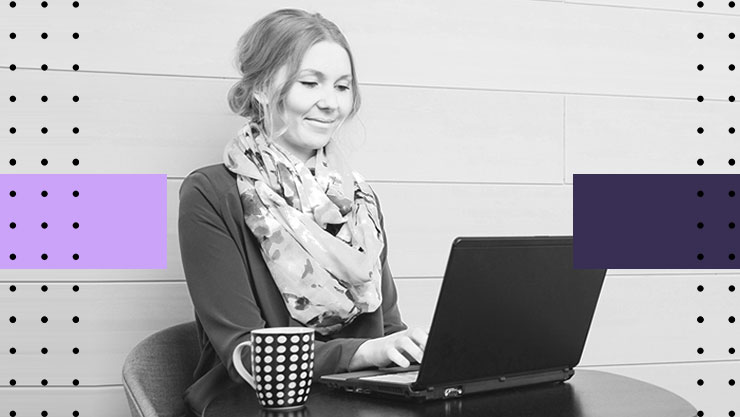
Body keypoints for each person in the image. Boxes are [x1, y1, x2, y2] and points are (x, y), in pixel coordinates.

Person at [178, 9, 428, 416]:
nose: (330, 103)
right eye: (309, 83)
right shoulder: (210, 193)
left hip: (355, 402)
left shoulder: (359, 200)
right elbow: (247, 351)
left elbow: (387, 327)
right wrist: (367, 352)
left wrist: (412, 350)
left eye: (343, 87)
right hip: (256, 405)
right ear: (260, 88)